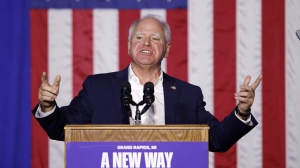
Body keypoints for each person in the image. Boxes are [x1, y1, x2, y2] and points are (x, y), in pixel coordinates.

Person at [32, 14, 262, 152]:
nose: (146, 43)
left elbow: (217, 140)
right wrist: (47, 107)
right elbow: (63, 130)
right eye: (140, 37)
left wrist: (242, 111)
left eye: (155, 38)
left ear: (167, 49)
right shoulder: (97, 87)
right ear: (129, 45)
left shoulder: (187, 94)